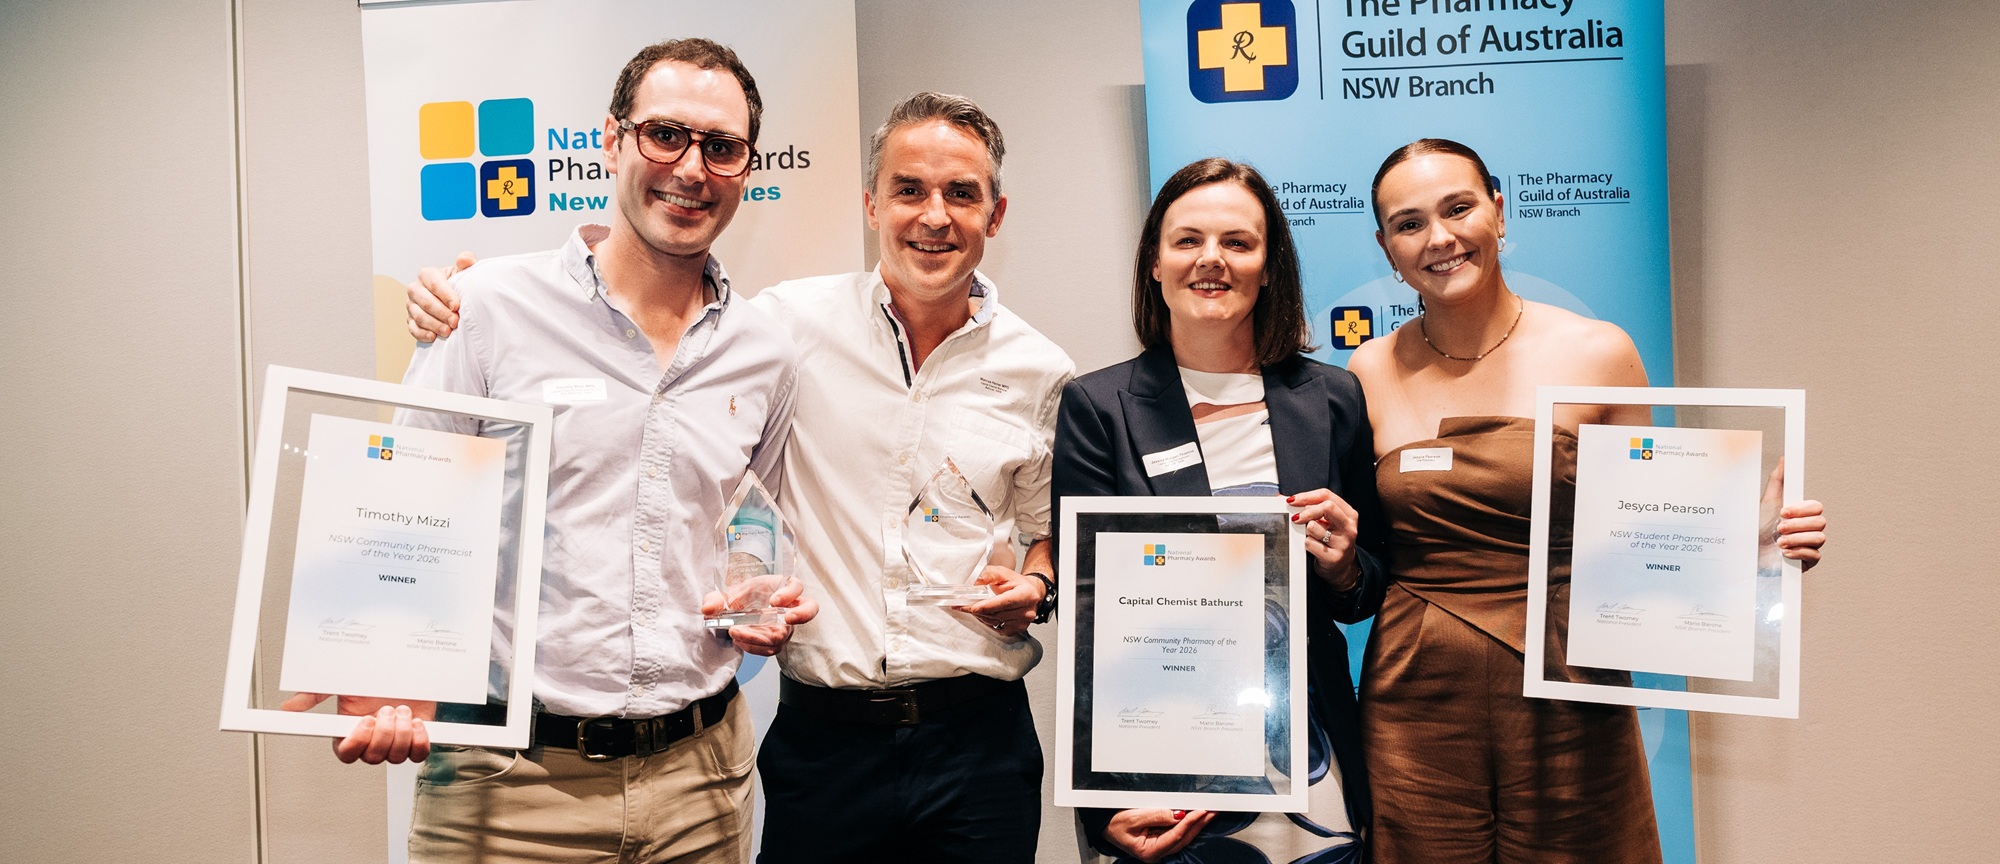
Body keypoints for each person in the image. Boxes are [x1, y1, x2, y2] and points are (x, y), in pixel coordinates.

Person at [406, 92, 1072, 863]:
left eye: (962, 193)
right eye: (909, 190)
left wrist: (1038, 585)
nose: (934, 215)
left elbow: (1043, 530)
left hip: (979, 743)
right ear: (870, 203)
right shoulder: (781, 328)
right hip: (826, 741)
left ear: (995, 214)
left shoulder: (1041, 370)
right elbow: (654, 303)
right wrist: (457, 292)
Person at [311, 38, 818, 864]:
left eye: (721, 147)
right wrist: (377, 689)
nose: (692, 167)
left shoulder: (766, 349)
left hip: (704, 783)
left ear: (746, 167)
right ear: (613, 141)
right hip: (507, 790)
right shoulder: (482, 309)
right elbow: (399, 514)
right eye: (666, 135)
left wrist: (760, 600)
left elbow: (748, 528)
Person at [1347, 137, 1828, 864]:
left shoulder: (1598, 352)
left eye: (1458, 208)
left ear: (1499, 212)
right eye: (1410, 223)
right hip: (1414, 692)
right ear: (1386, 247)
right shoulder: (1366, 369)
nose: (1439, 238)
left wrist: (1748, 552)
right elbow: (1366, 552)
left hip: (1568, 680)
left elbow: (1646, 539)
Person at [1051, 157, 1384, 864]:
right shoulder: (1098, 407)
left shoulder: (1332, 398)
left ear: (1269, 266)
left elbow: (1365, 595)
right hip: (1160, 762)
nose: (1212, 260)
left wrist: (1347, 565)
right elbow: (1087, 618)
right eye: (1187, 240)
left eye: (1238, 242)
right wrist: (1103, 802)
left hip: (1307, 754)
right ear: (1154, 263)